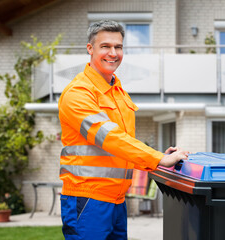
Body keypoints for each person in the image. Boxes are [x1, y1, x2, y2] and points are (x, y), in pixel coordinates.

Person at [58, 20, 189, 240]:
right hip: (88, 199)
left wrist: (157, 159)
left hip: (117, 199)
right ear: (90, 49)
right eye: (105, 46)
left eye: (118, 47)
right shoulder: (78, 93)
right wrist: (157, 158)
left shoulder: (118, 93)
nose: (113, 53)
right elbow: (110, 138)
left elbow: (124, 145)